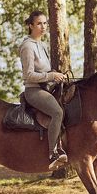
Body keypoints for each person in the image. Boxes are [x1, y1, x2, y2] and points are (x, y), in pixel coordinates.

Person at [19, 10, 68, 170]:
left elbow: (45, 71)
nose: (43, 26)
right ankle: (52, 153)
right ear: (31, 25)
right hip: (33, 91)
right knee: (57, 112)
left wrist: (58, 76)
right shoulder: (27, 46)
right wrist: (51, 75)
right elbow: (29, 75)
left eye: (45, 23)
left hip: (47, 88)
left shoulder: (41, 45)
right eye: (39, 23)